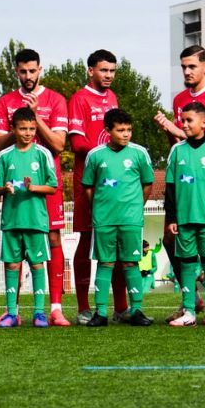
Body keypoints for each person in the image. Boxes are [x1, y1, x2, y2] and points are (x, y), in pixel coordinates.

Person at [154, 45, 205, 323]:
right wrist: (170, 133)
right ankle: (191, 303)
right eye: (183, 67)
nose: (187, 71)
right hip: (185, 198)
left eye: (192, 66)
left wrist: (177, 130)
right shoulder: (179, 100)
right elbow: (177, 147)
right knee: (171, 240)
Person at [0, 48, 71, 326]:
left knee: (53, 239)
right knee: (14, 251)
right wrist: (17, 125)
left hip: (46, 181)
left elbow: (60, 145)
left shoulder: (56, 100)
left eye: (32, 71)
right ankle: (12, 310)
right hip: (16, 193)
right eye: (23, 71)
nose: (28, 76)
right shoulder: (6, 102)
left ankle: (54, 307)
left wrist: (35, 117)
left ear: (40, 70)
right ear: (17, 71)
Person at [68, 49, 129, 324]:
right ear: (90, 70)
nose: (109, 76)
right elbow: (77, 143)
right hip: (89, 183)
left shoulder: (113, 98)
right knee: (85, 240)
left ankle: (121, 307)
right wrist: (106, 151)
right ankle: (83, 307)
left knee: (116, 244)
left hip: (115, 185)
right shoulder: (80, 99)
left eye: (112, 71)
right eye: (104, 70)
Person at [80, 108, 154, 327]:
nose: (126, 134)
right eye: (121, 130)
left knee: (131, 262)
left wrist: (136, 207)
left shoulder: (140, 153)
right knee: (106, 262)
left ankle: (137, 310)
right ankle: (100, 312)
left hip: (131, 219)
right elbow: (88, 187)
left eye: (129, 130)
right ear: (108, 131)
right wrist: (99, 208)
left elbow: (148, 184)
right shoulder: (95, 155)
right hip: (104, 220)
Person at [0, 107, 59, 328]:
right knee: (12, 266)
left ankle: (39, 312)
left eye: (31, 128)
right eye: (23, 128)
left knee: (38, 265)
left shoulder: (43, 153)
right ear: (14, 129)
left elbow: (52, 187)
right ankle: (11, 312)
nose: (28, 133)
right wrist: (5, 188)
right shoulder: (5, 155)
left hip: (36, 221)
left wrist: (33, 187)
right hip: (11, 221)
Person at [164, 102, 205, 327]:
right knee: (186, 264)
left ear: (204, 122)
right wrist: (172, 218)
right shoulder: (177, 150)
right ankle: (189, 311)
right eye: (182, 120)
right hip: (184, 219)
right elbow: (171, 187)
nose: (184, 124)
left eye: (189, 120)